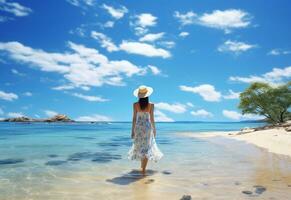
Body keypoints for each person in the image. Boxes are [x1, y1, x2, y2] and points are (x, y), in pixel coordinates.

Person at [128, 85, 163, 175]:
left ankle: (142, 167)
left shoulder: (135, 105)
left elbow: (134, 118)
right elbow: (152, 118)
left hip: (139, 128)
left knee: (140, 147)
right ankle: (143, 169)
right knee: (147, 148)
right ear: (147, 95)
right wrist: (154, 130)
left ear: (139, 95)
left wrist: (132, 131)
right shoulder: (151, 105)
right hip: (147, 128)